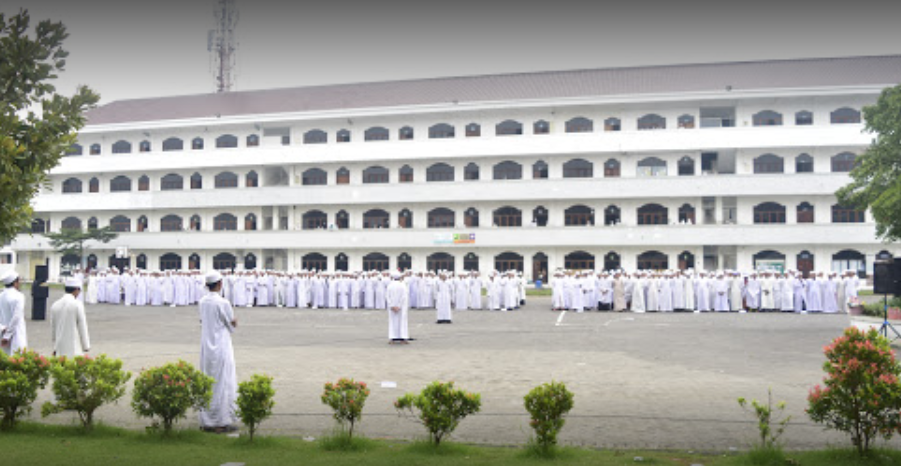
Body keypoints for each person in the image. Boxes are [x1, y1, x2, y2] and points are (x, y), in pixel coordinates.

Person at [198, 270, 238, 434]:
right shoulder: (223, 303)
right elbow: (231, 324)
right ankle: (220, 421)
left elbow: (202, 320)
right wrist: (234, 322)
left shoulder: (202, 302)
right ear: (220, 284)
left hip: (207, 345)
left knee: (208, 380)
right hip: (221, 345)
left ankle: (206, 420)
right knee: (222, 382)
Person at [49, 277, 91, 357]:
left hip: (60, 346)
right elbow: (82, 326)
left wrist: (55, 341)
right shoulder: (77, 304)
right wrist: (86, 345)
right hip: (74, 345)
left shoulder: (55, 305)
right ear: (76, 290)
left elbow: (53, 327)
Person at [0, 272, 27, 354]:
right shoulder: (19, 296)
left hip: (2, 331)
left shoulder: (1, 295)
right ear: (15, 283)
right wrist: (7, 336)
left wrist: (2, 328)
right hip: (16, 333)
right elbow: (16, 317)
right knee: (17, 359)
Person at [386, 271, 409, 344]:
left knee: (392, 322)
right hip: (401, 307)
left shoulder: (390, 286)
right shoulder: (402, 285)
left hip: (392, 307)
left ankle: (392, 338)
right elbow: (404, 297)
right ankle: (403, 338)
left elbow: (387, 297)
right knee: (402, 321)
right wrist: (399, 306)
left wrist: (392, 306)